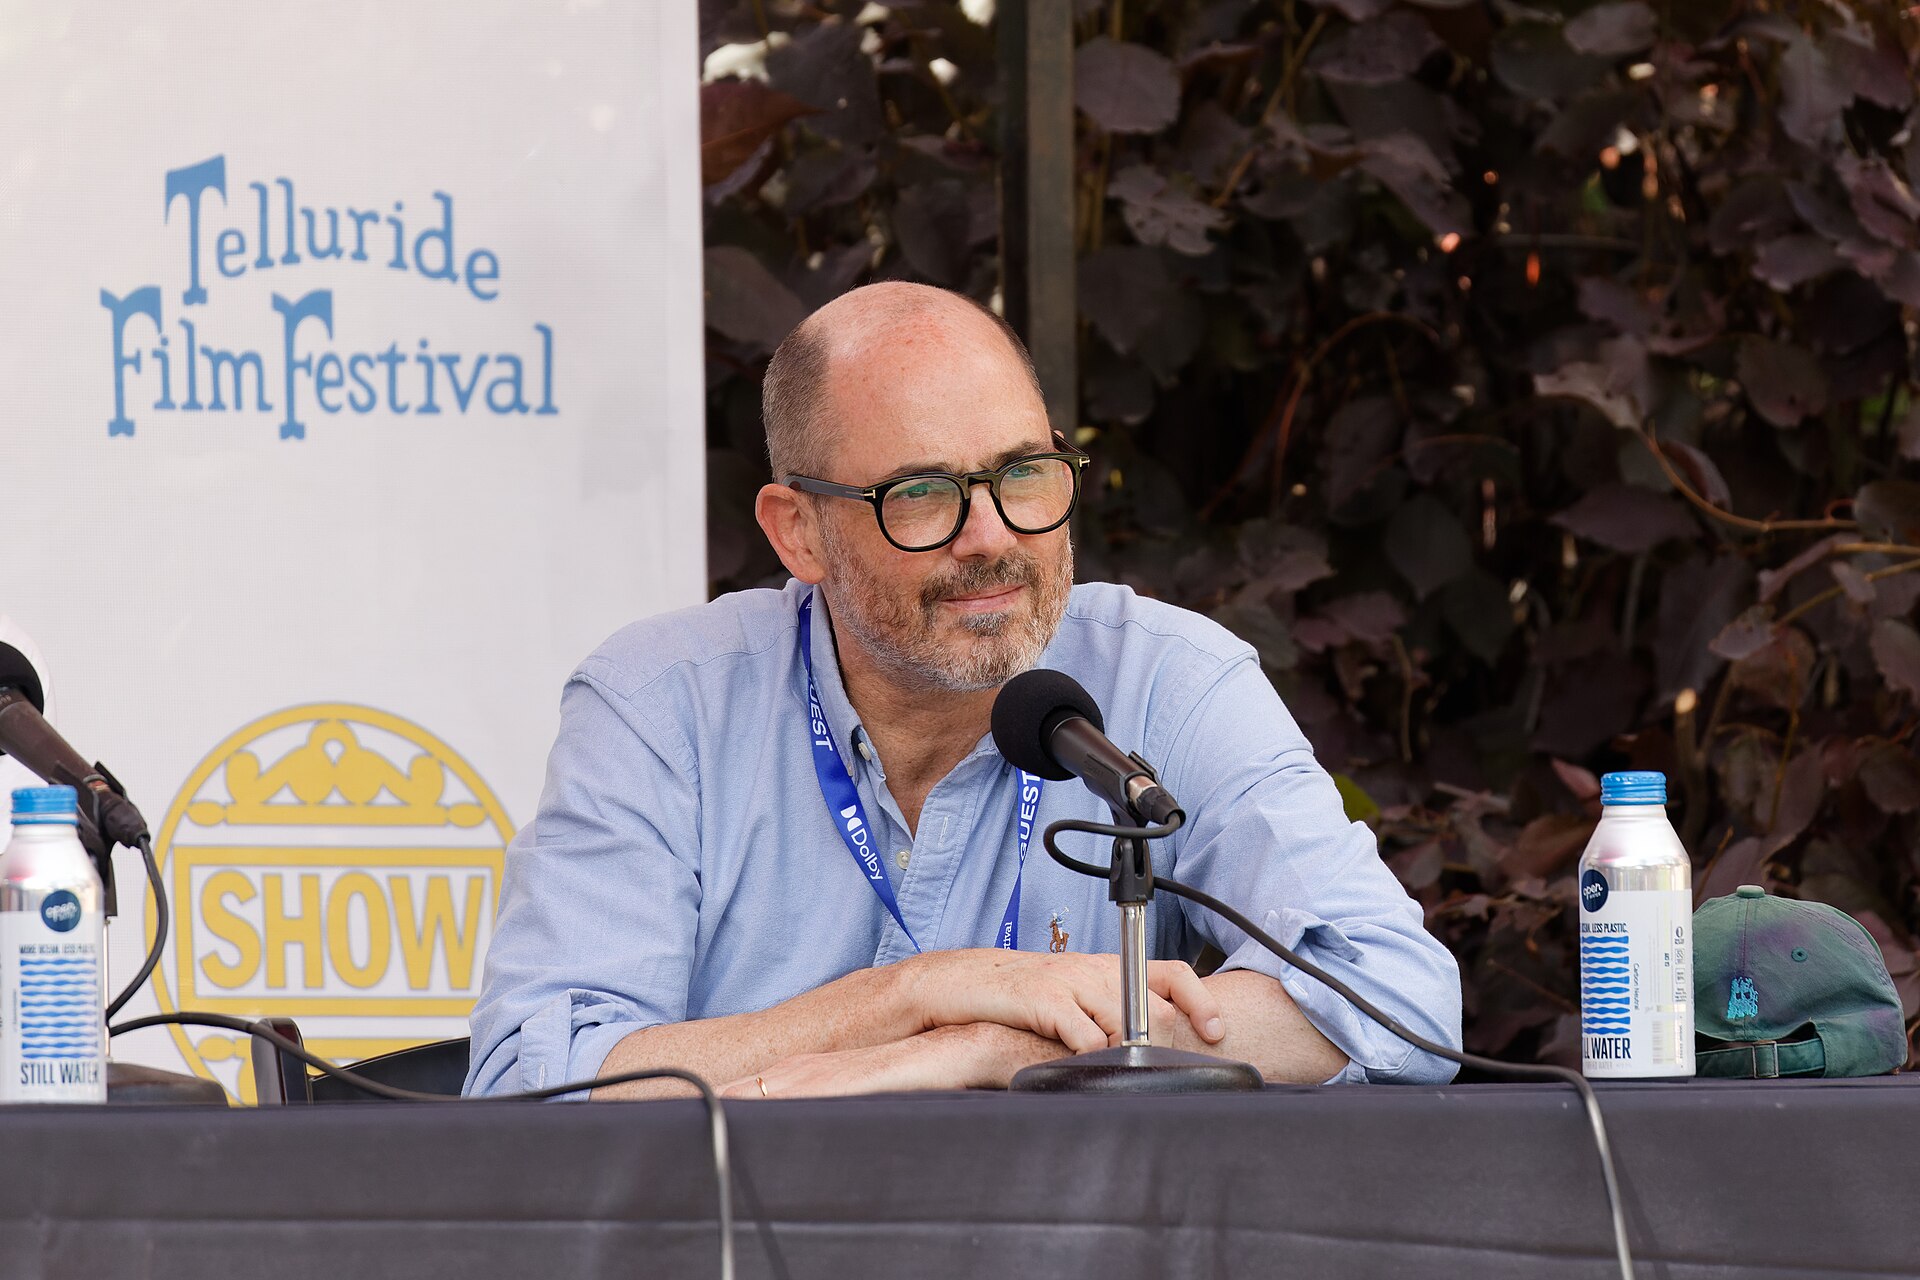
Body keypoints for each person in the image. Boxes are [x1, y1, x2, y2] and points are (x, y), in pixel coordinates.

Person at [465, 283, 1462, 1100]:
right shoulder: (660, 704)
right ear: (798, 531)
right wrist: (913, 995)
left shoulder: (1169, 677)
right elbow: (529, 1082)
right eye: (923, 493)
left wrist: (1003, 1048)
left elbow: (1399, 1001)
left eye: (1024, 473)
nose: (992, 537)